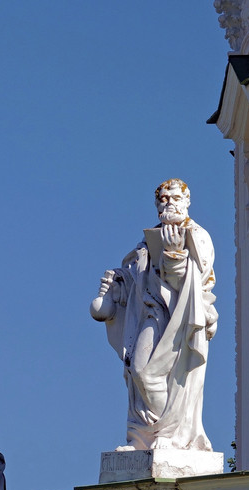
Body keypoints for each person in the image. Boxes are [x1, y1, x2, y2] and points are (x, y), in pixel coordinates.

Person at [90, 178, 218, 451]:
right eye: (162, 199)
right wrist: (119, 280)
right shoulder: (148, 240)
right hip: (148, 313)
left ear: (186, 201)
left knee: (148, 373)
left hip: (180, 320)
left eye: (173, 198)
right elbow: (140, 274)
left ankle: (170, 433)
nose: (167, 203)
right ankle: (142, 438)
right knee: (136, 373)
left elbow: (197, 279)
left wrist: (174, 255)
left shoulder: (197, 235)